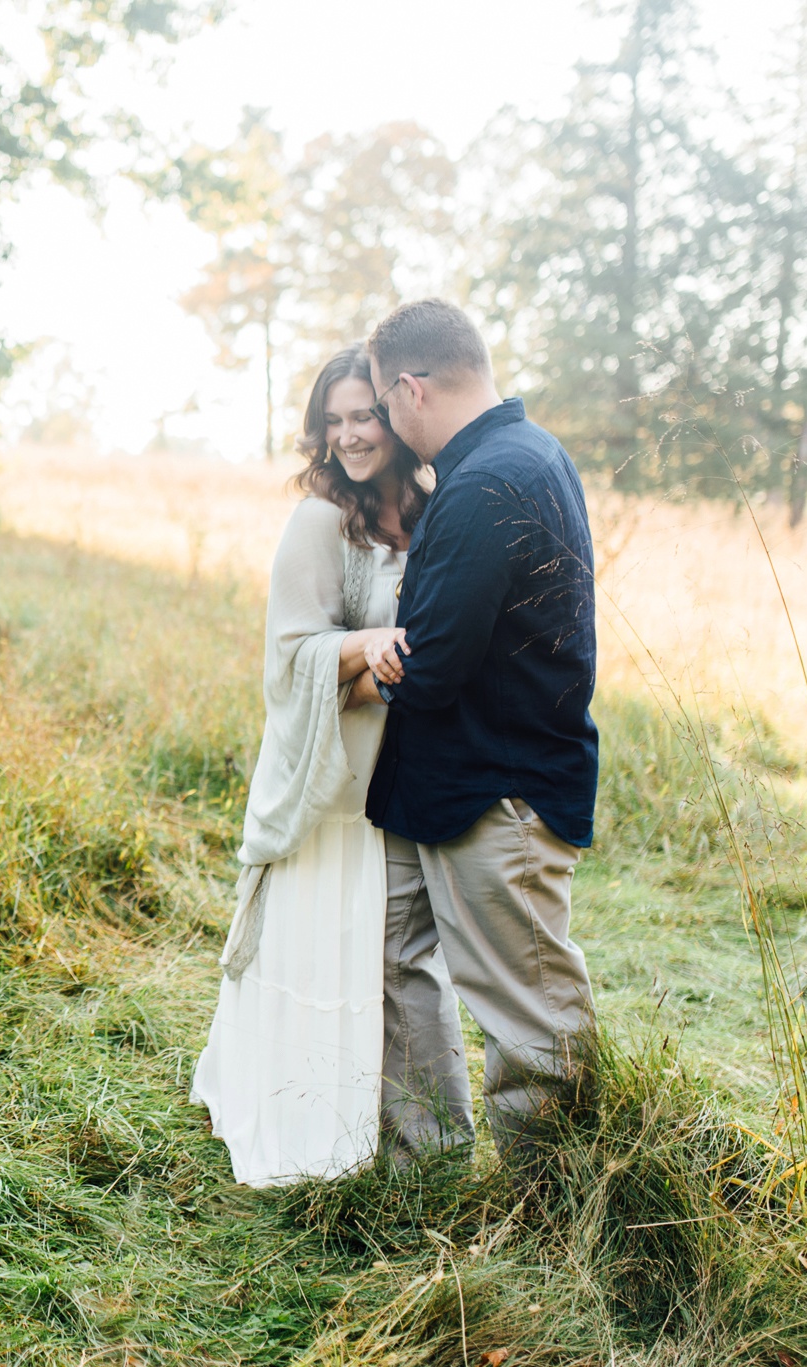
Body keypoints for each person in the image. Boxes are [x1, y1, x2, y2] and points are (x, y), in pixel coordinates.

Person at [357, 299, 601, 1181]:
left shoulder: (488, 481)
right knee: (397, 964)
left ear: (411, 390)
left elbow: (432, 663)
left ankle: (559, 1208)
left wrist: (372, 658)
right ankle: (429, 1167)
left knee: (530, 1013)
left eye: (384, 405)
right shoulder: (526, 454)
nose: (384, 423)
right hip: (454, 784)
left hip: (498, 793)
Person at [189, 346, 430, 1186]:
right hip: (326, 781)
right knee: (315, 950)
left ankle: (364, 1119)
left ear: (398, 412)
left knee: (375, 961)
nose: (350, 435)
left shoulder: (431, 512)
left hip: (393, 783)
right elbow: (290, 656)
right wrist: (369, 649)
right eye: (333, 420)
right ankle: (296, 1120)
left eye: (363, 414)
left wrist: (382, 669)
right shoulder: (320, 519)